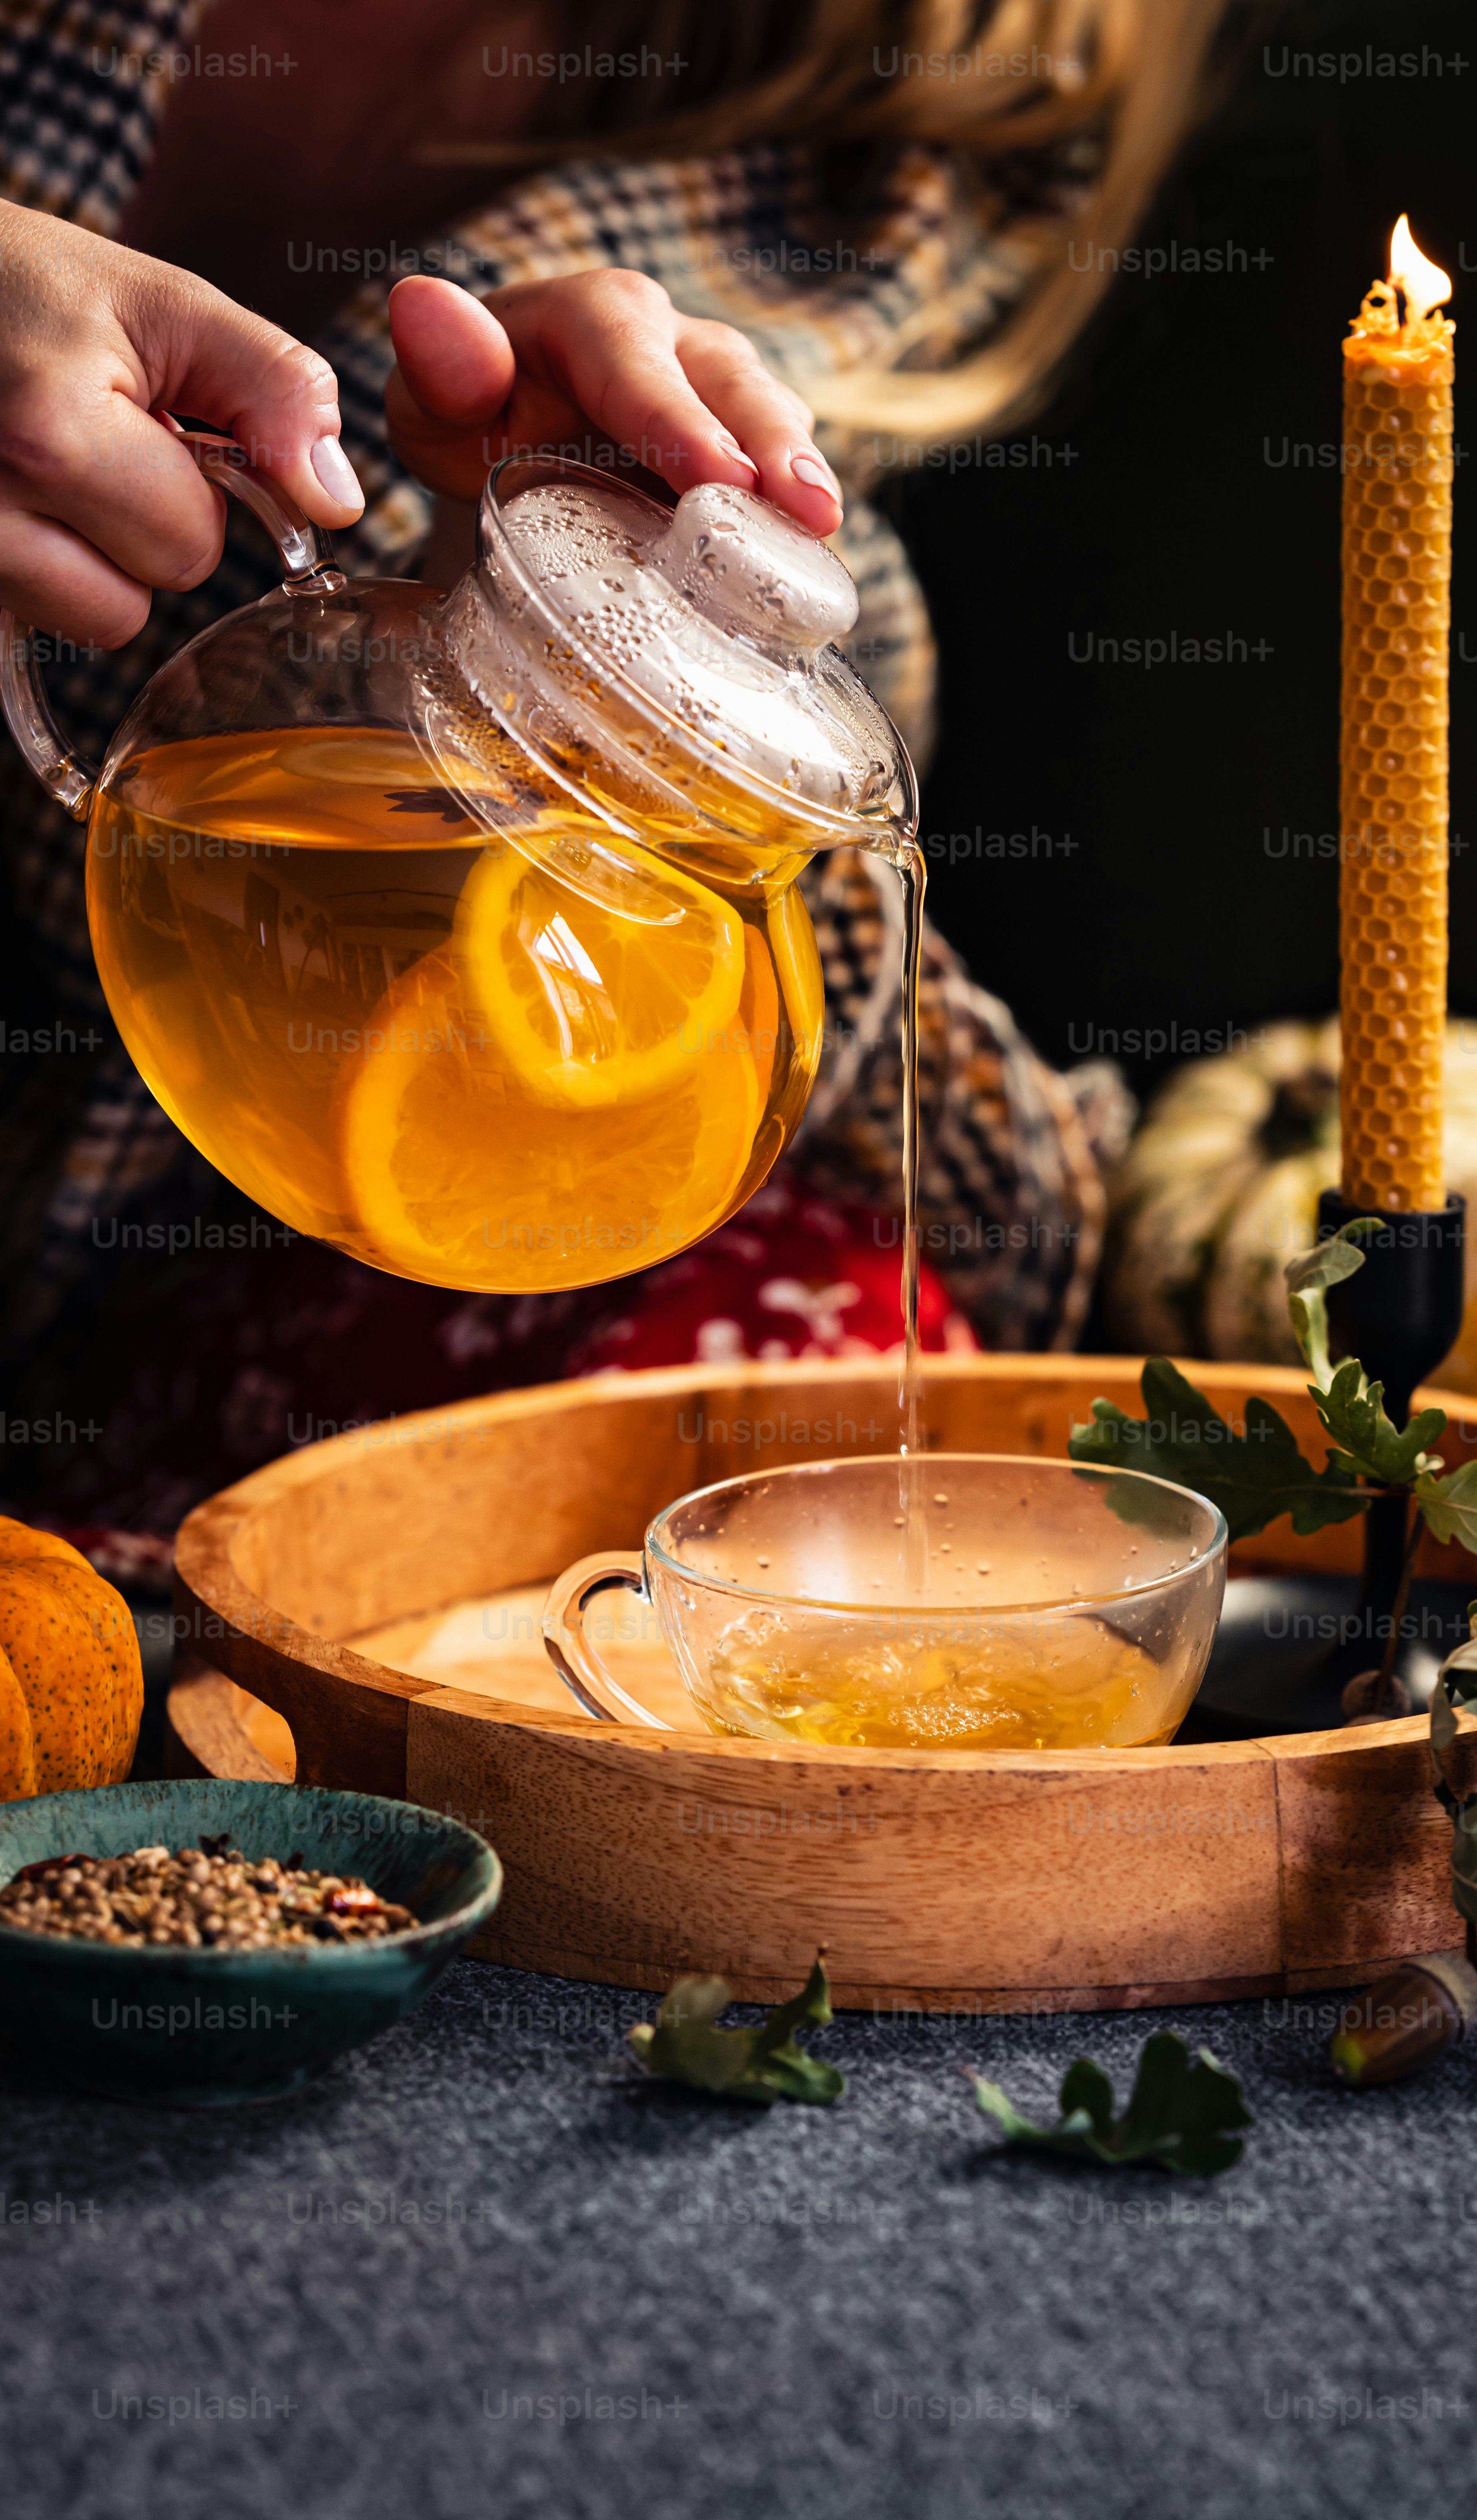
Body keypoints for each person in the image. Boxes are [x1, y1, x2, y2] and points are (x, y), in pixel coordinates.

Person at [0, 0, 1229, 1539]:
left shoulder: (936, 75)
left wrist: (525, 643)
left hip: (235, 1269)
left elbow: (782, 1093)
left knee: (805, 1368)